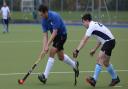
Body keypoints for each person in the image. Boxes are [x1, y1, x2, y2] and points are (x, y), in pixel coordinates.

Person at [73, 13, 120, 87]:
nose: (83, 24)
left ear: (87, 20)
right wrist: (94, 49)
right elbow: (101, 39)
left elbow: (84, 40)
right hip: (110, 41)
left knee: (100, 58)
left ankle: (94, 80)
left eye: (83, 22)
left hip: (109, 41)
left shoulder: (91, 26)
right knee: (106, 62)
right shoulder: (95, 25)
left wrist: (77, 50)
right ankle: (115, 78)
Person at [37, 4, 79, 84]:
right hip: (56, 37)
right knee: (61, 57)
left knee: (52, 51)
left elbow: (55, 32)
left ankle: (44, 76)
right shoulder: (43, 20)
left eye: (42, 14)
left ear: (46, 12)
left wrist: (47, 46)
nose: (41, 16)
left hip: (62, 35)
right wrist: (43, 49)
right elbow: (45, 35)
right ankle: (74, 65)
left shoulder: (54, 16)